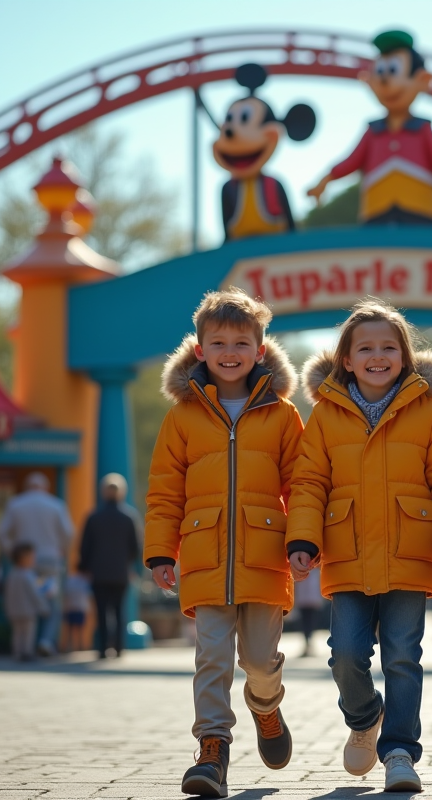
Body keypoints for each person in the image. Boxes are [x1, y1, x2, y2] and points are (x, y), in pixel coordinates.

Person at [285, 299, 432, 792]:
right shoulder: (325, 414)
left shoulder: (427, 410)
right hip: (346, 553)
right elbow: (308, 482)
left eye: (389, 347)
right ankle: (365, 716)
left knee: (402, 657)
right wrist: (302, 537)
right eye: (365, 348)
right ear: (346, 359)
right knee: (345, 655)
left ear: (404, 357)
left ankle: (400, 752)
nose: (377, 356)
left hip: (409, 553)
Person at [144, 288, 304, 798]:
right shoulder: (182, 417)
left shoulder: (282, 415)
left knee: (259, 660)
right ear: (200, 349)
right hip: (203, 556)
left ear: (260, 350)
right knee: (212, 657)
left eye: (240, 342)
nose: (229, 352)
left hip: (265, 557)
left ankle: (266, 705)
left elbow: (301, 484)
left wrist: (302, 538)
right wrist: (161, 550)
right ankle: (212, 748)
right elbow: (165, 490)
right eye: (218, 342)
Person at [306, 30, 432, 225]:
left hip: (420, 214)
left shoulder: (422, 129)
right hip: (376, 213)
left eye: (394, 71)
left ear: (423, 80)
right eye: (379, 73)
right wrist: (326, 180)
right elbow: (351, 160)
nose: (385, 80)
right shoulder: (373, 131)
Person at [0, 472, 75, 656]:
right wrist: (62, 551)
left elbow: (1, 534)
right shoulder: (56, 505)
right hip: (49, 562)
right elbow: (69, 533)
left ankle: (24, 647)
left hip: (24, 563)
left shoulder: (15, 504)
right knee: (51, 604)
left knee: (26, 603)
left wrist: (14, 554)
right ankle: (45, 641)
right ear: (45, 488)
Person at [78, 473, 142, 659]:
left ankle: (102, 648)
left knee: (101, 611)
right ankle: (119, 648)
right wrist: (132, 567)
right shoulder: (129, 517)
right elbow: (135, 547)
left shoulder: (94, 517)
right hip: (121, 572)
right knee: (120, 610)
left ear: (103, 492)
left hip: (98, 573)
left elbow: (85, 546)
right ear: (122, 492)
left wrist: (84, 567)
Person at [3, 543, 49, 662]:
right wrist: (44, 607)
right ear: (24, 559)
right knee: (28, 633)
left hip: (14, 611)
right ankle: (27, 652)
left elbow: (7, 595)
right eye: (32, 557)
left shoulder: (12, 574)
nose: (34, 560)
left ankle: (18, 653)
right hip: (28, 611)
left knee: (17, 633)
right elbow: (35, 595)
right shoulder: (28, 575)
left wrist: (8, 609)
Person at [292, 569, 325, 658]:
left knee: (310, 622)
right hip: (304, 597)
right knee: (306, 622)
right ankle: (307, 643)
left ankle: (309, 643)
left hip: (311, 597)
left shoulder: (316, 569)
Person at [62, 572, 90, 653]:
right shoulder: (84, 582)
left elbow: (66, 594)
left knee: (70, 629)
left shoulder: (70, 581)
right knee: (80, 629)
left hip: (71, 607)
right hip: (79, 607)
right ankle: (80, 646)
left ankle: (70, 647)